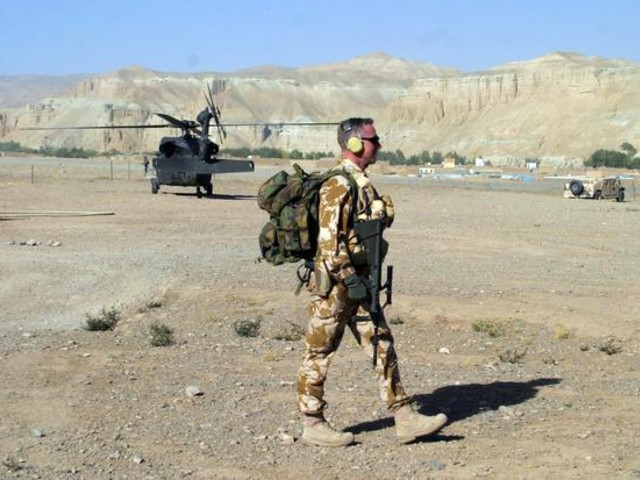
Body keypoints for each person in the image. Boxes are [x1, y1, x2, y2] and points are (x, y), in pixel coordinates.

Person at [296, 117, 448, 447]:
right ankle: (312, 422)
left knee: (381, 344)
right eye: (372, 139)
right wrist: (350, 280)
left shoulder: (361, 183)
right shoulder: (338, 185)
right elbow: (329, 243)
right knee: (319, 352)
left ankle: (404, 417)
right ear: (353, 144)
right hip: (335, 287)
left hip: (360, 282)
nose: (378, 145)